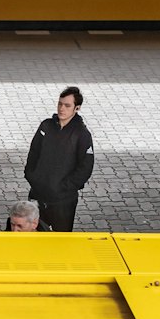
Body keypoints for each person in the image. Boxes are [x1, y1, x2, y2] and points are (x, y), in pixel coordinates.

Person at [23, 86, 96, 233]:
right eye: (60, 104)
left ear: (77, 108)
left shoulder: (82, 134)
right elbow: (34, 153)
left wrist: (63, 187)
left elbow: (85, 167)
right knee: (33, 237)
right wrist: (32, 176)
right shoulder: (46, 126)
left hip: (63, 201)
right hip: (37, 195)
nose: (62, 108)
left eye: (67, 105)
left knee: (61, 242)